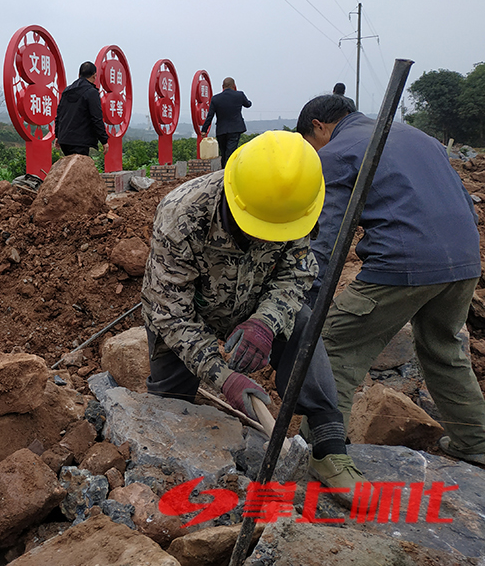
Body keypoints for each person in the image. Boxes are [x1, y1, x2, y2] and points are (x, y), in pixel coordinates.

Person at [142, 130, 365, 504]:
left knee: (303, 326)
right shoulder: (182, 213)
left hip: (255, 301)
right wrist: (223, 377)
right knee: (169, 402)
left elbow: (296, 273)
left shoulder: (295, 205)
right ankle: (163, 467)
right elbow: (170, 311)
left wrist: (265, 323)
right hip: (189, 311)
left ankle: (329, 445)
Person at [297, 94, 485, 466]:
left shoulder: (336, 153)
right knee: (443, 349)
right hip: (464, 260)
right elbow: (468, 206)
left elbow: (327, 236)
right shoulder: (417, 136)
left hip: (403, 261)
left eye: (309, 143)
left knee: (333, 347)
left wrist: (308, 300)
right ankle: (475, 441)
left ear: (318, 127)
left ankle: (320, 455)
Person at [54, 61, 108, 157]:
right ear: (94, 76)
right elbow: (96, 118)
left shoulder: (67, 91)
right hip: (80, 141)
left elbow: (59, 114)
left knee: (70, 165)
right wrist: (104, 140)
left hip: (64, 140)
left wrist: (58, 135)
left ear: (79, 75)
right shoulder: (91, 92)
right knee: (79, 166)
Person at [200, 77, 252, 168]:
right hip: (235, 129)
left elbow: (210, 116)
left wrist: (204, 130)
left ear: (222, 86)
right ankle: (227, 171)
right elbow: (248, 104)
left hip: (221, 130)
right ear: (234, 86)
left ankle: (224, 170)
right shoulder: (239, 95)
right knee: (230, 153)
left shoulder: (215, 99)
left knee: (223, 153)